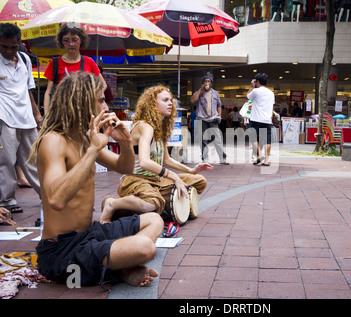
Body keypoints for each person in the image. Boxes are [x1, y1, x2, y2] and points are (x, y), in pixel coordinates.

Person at [30, 72, 163, 288]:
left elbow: (125, 167)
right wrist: (93, 149)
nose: (105, 106)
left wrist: (126, 142)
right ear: (82, 101)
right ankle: (120, 266)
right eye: (100, 100)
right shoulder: (53, 141)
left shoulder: (83, 138)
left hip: (87, 235)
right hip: (60, 250)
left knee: (154, 220)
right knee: (144, 248)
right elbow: (56, 199)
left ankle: (119, 266)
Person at [116, 85, 213, 221]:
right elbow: (144, 162)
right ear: (152, 104)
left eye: (171, 100)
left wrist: (191, 170)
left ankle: (160, 199)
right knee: (153, 203)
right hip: (136, 180)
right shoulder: (145, 126)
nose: (170, 104)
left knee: (199, 181)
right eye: (165, 100)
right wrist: (173, 177)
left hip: (156, 179)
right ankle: (114, 203)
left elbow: (166, 160)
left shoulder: (160, 127)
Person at [0, 23, 41, 214]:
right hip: (4, 118)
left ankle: (47, 194)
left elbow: (28, 90)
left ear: (19, 44)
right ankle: (7, 201)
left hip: (26, 117)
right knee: (6, 161)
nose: (9, 51)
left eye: (13, 47)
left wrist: (37, 114)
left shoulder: (24, 59)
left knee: (35, 159)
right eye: (4, 46)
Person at [43, 23, 104, 114]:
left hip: (84, 114)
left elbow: (103, 85)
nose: (71, 44)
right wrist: (47, 114)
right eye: (66, 40)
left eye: (75, 40)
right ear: (61, 42)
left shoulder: (89, 62)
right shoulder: (55, 63)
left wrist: (91, 97)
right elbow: (48, 92)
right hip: (60, 114)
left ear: (81, 40)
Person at [190, 75, 228, 164]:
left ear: (211, 83)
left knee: (217, 139)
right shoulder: (199, 93)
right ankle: (205, 158)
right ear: (202, 83)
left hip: (213, 118)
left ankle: (222, 158)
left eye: (209, 81)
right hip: (201, 119)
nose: (207, 83)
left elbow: (219, 105)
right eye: (205, 81)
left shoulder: (215, 93)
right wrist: (200, 89)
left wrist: (219, 116)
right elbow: (192, 101)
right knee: (203, 140)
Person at [247, 73, 275, 166]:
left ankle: (260, 155)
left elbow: (248, 96)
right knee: (267, 140)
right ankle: (266, 161)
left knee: (253, 137)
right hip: (267, 120)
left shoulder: (256, 91)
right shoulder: (271, 93)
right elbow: (271, 108)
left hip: (256, 119)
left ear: (257, 81)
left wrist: (252, 85)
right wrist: (271, 119)